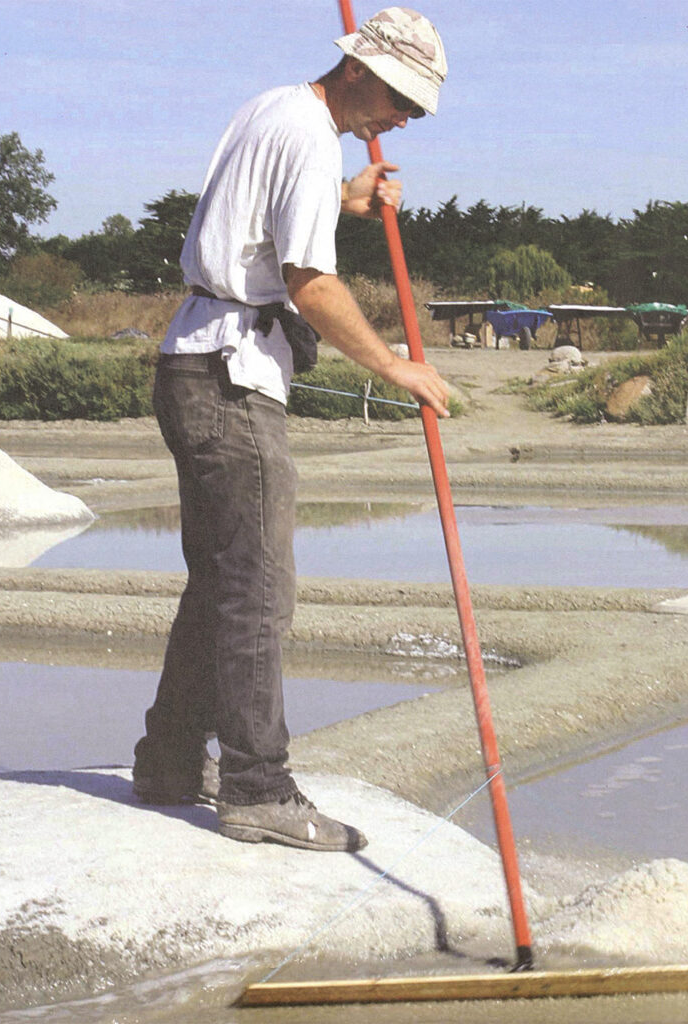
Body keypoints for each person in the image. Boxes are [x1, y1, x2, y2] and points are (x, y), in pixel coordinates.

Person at [132, 7, 449, 853]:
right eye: (399, 97)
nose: (403, 119)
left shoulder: (276, 109)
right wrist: (396, 367)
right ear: (356, 68)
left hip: (194, 361)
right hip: (230, 379)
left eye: (416, 109)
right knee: (258, 590)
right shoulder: (310, 136)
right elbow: (308, 285)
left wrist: (348, 201)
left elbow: (257, 228)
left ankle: (168, 761)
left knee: (222, 581)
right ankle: (257, 789)